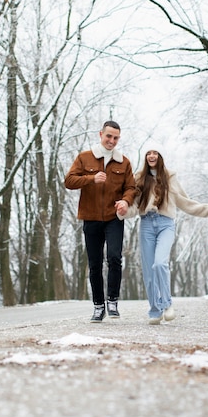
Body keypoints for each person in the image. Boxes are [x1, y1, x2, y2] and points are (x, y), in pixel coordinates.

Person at [119, 141, 208, 325]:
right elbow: (134, 207)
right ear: (145, 157)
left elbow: (186, 203)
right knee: (149, 272)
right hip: (146, 225)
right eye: (148, 153)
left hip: (166, 224)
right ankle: (155, 311)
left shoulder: (170, 178)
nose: (151, 156)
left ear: (160, 156)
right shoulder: (139, 178)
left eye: (155, 153)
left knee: (159, 264)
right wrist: (123, 211)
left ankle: (167, 304)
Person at [64, 121, 136, 322]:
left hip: (114, 218)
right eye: (109, 136)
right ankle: (98, 306)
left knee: (114, 258)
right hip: (91, 217)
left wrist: (125, 201)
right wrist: (91, 178)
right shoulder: (85, 157)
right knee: (94, 264)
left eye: (116, 138)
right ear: (101, 134)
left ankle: (112, 301)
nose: (112, 141)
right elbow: (69, 181)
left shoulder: (124, 162)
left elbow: (131, 187)